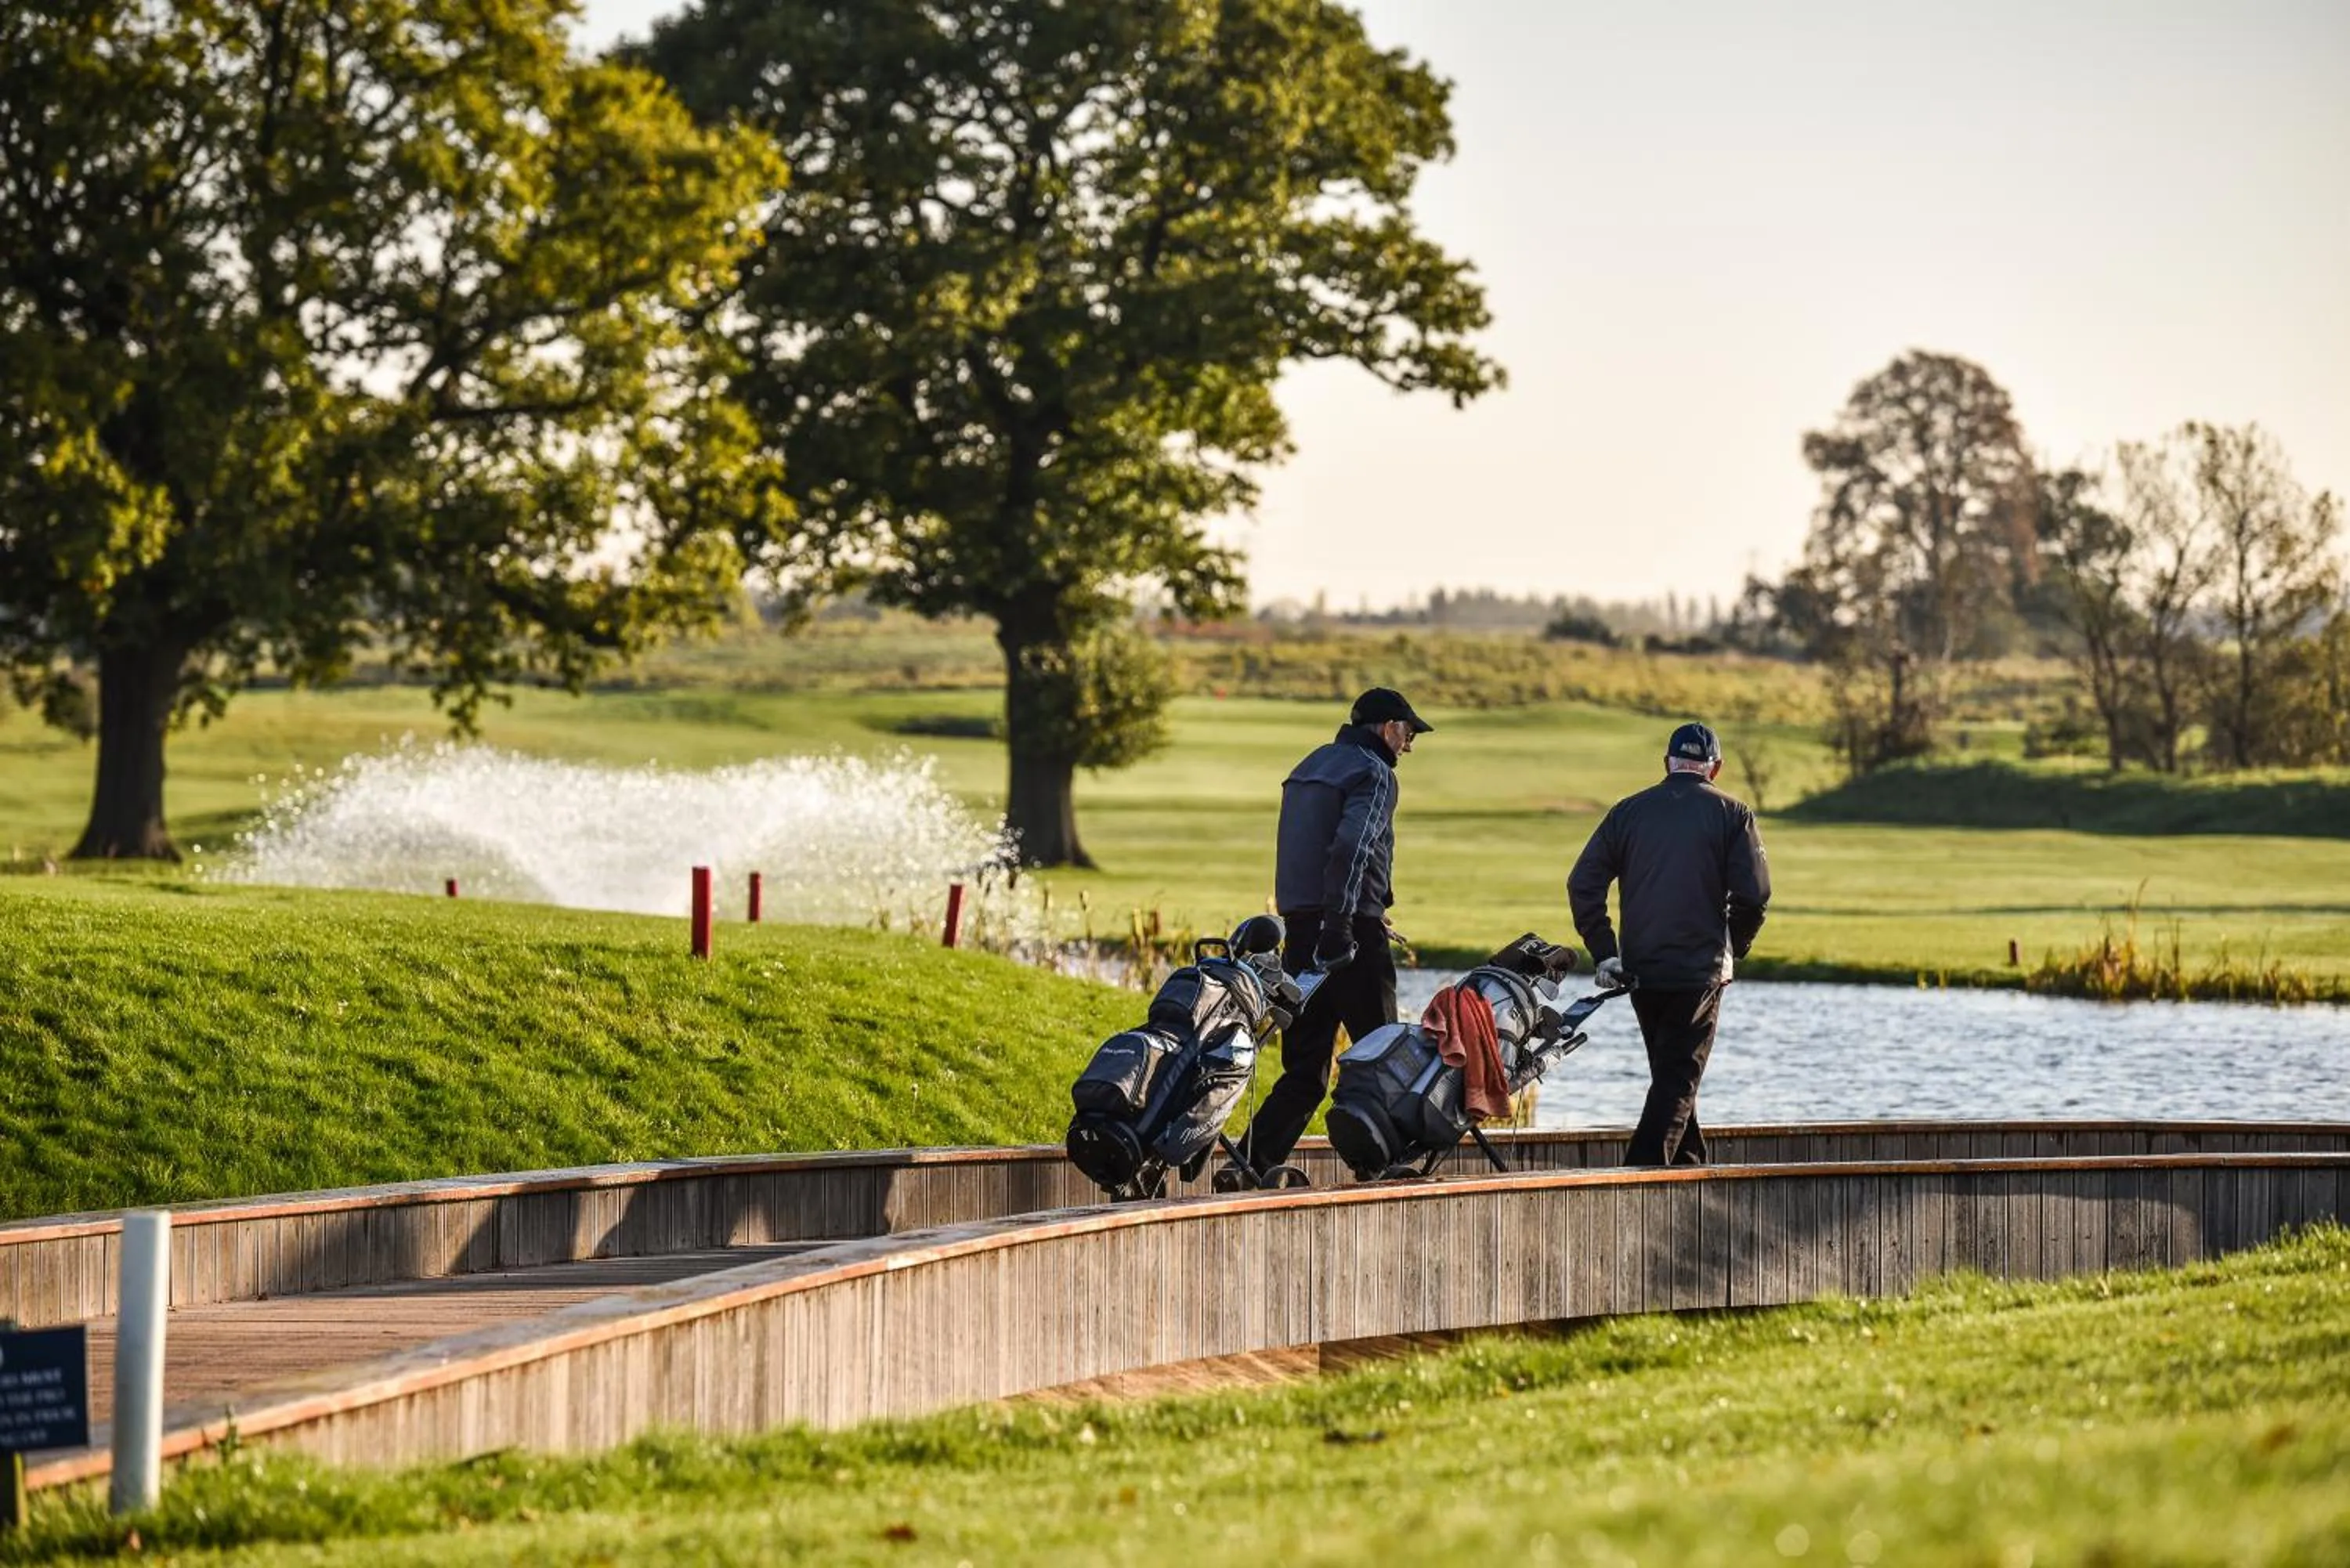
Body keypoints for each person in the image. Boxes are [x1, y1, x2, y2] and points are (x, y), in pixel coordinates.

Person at [1219, 687, 1433, 1188]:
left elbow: (1320, 850)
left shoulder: (1309, 765)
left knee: (1304, 1072)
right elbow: (1350, 850)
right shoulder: (1374, 773)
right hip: (1348, 934)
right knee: (1381, 1059)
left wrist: (1354, 911)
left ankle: (1247, 1164)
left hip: (1301, 931)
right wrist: (1346, 924)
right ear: (1387, 729)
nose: (1409, 747)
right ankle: (1382, 1168)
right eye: (1408, 734)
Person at [1567, 721, 1770, 1167]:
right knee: (1677, 1078)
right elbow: (1754, 896)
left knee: (1672, 1074)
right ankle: (1638, 1180)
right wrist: (1733, 946)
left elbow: (1583, 883)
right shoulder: (1733, 814)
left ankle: (1690, 1167)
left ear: (1667, 763)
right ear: (1715, 768)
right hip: (1700, 970)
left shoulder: (1627, 812)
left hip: (1640, 968)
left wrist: (1605, 951)